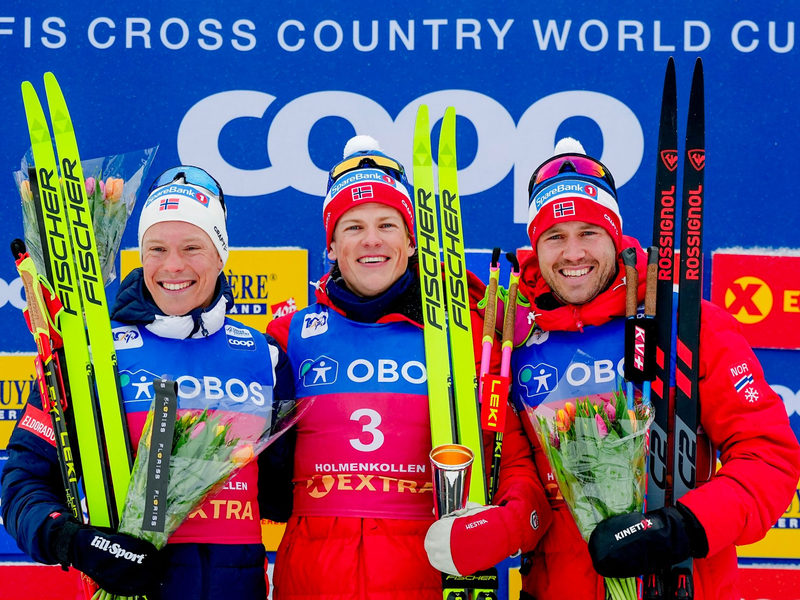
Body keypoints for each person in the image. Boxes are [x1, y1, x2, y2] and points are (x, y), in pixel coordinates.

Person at [502, 138, 800, 600]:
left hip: (680, 583)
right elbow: (515, 477)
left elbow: (768, 457)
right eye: (554, 236)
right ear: (535, 247)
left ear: (616, 237)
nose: (573, 252)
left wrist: (683, 527)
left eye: (589, 233)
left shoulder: (688, 326)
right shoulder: (513, 343)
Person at [265, 136, 552, 599]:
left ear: (411, 240)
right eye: (353, 227)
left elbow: (517, 466)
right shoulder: (287, 337)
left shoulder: (465, 335)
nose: (371, 240)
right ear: (332, 246)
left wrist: (505, 528)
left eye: (387, 224)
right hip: (311, 580)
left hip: (429, 576)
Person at [2, 166, 295, 599]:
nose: (173, 266)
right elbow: (21, 484)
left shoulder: (264, 357)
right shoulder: (91, 356)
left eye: (193, 247)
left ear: (221, 254)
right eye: (156, 248)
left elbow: (283, 497)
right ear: (140, 254)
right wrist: (77, 542)